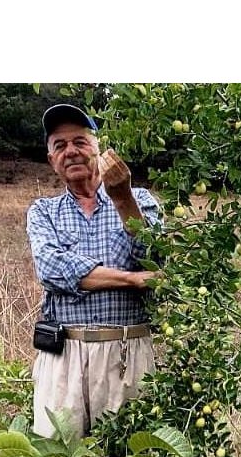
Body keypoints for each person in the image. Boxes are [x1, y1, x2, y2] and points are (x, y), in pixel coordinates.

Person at [25, 104, 163, 439]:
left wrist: (122, 199)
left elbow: (157, 263)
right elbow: (52, 270)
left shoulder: (140, 199)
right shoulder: (44, 212)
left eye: (80, 142)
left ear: (99, 149)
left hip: (126, 351)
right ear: (51, 160)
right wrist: (130, 279)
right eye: (59, 145)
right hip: (63, 356)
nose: (70, 151)